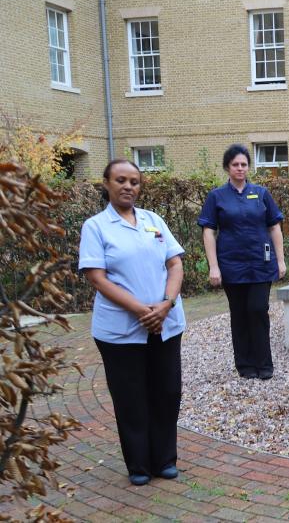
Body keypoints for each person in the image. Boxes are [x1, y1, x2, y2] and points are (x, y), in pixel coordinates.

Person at [79, 159, 186, 487]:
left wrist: (165, 305)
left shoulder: (154, 220)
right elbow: (98, 278)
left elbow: (175, 263)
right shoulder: (96, 227)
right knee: (131, 398)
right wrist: (143, 311)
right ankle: (139, 464)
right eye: (121, 180)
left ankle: (164, 459)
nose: (128, 186)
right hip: (121, 331)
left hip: (165, 324)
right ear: (107, 184)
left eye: (134, 181)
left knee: (167, 393)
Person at [199, 144, 285, 380]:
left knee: (258, 310)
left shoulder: (261, 193)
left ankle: (264, 363)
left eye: (244, 164)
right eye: (235, 164)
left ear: (249, 167)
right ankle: (245, 365)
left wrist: (281, 260)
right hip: (231, 265)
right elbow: (208, 231)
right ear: (227, 167)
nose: (240, 168)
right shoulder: (216, 196)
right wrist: (213, 266)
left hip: (260, 263)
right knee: (239, 314)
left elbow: (274, 226)